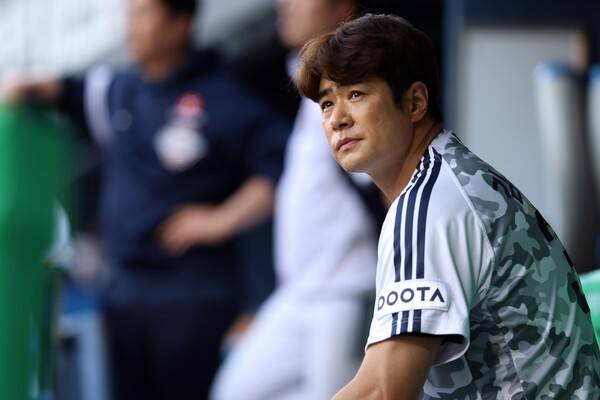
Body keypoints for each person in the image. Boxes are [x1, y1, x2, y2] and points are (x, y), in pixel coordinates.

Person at [295, 13, 600, 399]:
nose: (337, 119)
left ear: (415, 102)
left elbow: (384, 390)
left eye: (356, 94)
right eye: (326, 103)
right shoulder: (453, 175)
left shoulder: (430, 206)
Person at [2, 0, 288, 398]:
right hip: (125, 292)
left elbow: (280, 165)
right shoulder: (120, 90)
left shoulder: (223, 96)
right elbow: (63, 90)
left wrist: (221, 219)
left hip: (193, 293)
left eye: (143, 13)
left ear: (180, 22)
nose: (131, 24)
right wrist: (19, 86)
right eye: (129, 12)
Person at [210, 1, 383, 399]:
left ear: (342, 8)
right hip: (297, 292)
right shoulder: (314, 86)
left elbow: (390, 184)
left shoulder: (357, 86)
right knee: (235, 391)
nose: (286, 5)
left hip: (345, 289)